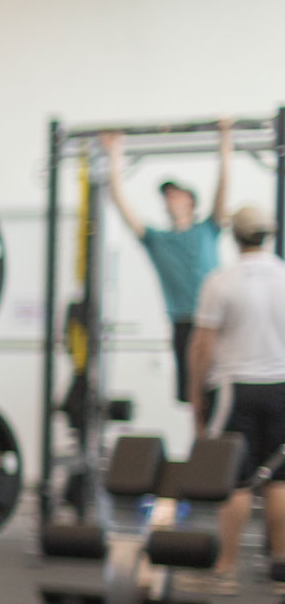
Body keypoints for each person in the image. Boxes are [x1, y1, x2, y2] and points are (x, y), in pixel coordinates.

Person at [187, 205, 285, 591]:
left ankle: (226, 569)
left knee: (236, 482)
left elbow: (202, 347)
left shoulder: (220, 281)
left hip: (235, 388)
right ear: (268, 234)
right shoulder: (284, 276)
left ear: (235, 236)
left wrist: (195, 396)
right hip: (281, 386)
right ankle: (281, 568)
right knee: (279, 480)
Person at [103, 120, 234, 403]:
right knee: (193, 397)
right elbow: (119, 199)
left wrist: (225, 138)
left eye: (176, 194)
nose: (170, 199)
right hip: (183, 324)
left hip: (214, 322)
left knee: (222, 395)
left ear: (190, 200)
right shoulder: (156, 239)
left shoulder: (207, 229)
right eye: (166, 196)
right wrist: (115, 152)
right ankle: (202, 446)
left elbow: (224, 185)